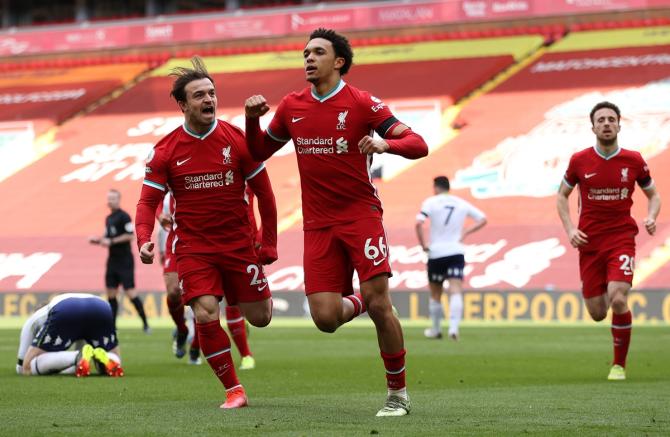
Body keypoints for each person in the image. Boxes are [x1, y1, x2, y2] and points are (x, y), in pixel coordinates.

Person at [244, 28, 428, 416]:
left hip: (361, 217)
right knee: (325, 318)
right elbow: (259, 150)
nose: (308, 58)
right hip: (318, 225)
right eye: (305, 53)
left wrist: (385, 143)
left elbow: (418, 143)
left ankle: (398, 394)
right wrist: (250, 121)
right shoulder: (292, 105)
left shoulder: (362, 103)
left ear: (338, 61)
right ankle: (364, 296)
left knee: (382, 307)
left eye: (317, 53)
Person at [135, 56, 278, 409]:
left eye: (211, 93)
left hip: (238, 245)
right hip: (195, 249)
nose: (208, 100)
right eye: (199, 95)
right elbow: (146, 203)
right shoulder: (165, 151)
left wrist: (269, 241)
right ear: (183, 105)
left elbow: (265, 193)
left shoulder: (237, 140)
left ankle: (237, 293)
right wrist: (144, 238)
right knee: (204, 313)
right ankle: (234, 390)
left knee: (260, 318)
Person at [557, 101, 661, 381]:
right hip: (589, 243)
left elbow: (654, 195)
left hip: (621, 239)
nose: (606, 123)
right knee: (597, 312)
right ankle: (602, 296)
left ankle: (618, 366)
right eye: (601, 119)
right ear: (592, 127)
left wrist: (651, 217)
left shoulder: (634, 160)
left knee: (618, 297)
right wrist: (569, 230)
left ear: (618, 124)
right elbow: (561, 196)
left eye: (611, 119)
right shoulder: (579, 160)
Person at [187, 185, 259, 370]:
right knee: (205, 306)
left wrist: (258, 237)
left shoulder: (243, 169)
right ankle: (243, 356)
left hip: (240, 244)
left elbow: (260, 201)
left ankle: (245, 354)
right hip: (201, 245)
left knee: (247, 309)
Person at [415, 176, 487, 341]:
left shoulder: (430, 202)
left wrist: (423, 244)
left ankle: (436, 329)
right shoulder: (460, 202)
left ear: (436, 187)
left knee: (435, 293)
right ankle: (454, 329)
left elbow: (418, 223)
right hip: (456, 251)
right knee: (455, 290)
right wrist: (466, 232)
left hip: (436, 252)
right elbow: (483, 219)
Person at [16, 293, 123, 377]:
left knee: (29, 365)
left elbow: (22, 368)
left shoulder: (34, 319)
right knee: (113, 357)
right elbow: (112, 350)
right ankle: (107, 358)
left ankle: (77, 357)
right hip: (102, 307)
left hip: (66, 308)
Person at [89, 189, 150, 332]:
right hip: (112, 260)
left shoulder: (124, 217)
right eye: (109, 198)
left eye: (113, 198)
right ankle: (112, 326)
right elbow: (107, 238)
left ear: (118, 200)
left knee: (130, 292)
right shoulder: (108, 218)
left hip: (125, 260)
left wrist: (111, 241)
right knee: (111, 292)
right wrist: (98, 240)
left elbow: (130, 236)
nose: (110, 201)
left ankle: (145, 323)